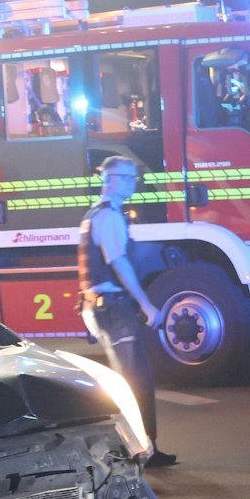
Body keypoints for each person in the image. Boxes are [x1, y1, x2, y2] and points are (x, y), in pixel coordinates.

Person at [79, 156, 177, 467]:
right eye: (126, 177)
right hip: (112, 308)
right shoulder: (108, 217)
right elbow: (118, 262)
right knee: (134, 381)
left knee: (134, 379)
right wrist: (146, 304)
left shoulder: (97, 214)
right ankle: (137, 451)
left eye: (134, 177)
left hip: (102, 306)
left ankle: (143, 448)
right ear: (109, 180)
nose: (133, 183)